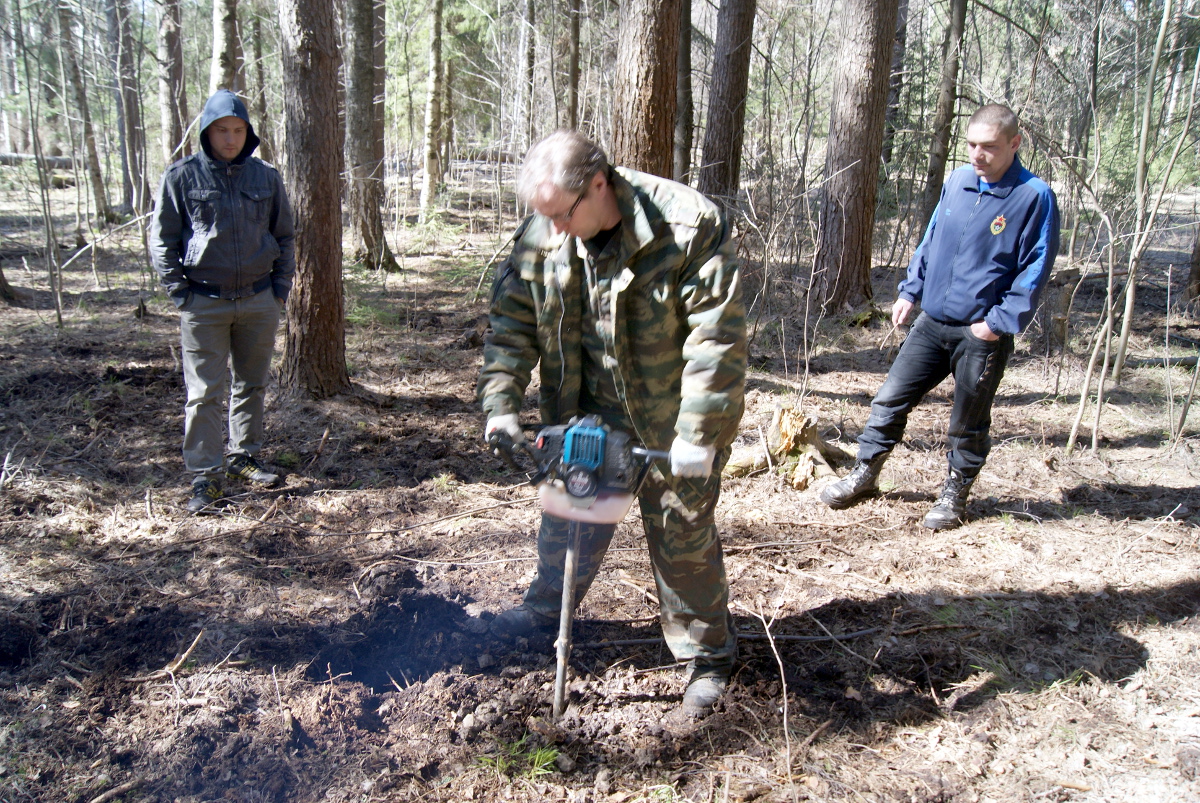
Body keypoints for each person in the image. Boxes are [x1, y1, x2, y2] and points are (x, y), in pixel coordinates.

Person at [478, 130, 746, 716]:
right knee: (570, 514)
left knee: (682, 534)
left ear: (598, 186)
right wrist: (500, 406)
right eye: (542, 216)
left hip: (672, 419)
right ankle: (546, 612)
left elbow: (716, 342)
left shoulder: (686, 225)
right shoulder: (547, 231)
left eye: (560, 214)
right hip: (584, 412)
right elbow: (511, 326)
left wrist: (696, 436)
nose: (551, 229)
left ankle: (707, 657)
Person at [821, 103, 1059, 530]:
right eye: (971, 145)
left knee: (967, 419)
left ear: (1015, 143)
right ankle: (865, 473)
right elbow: (931, 239)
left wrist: (995, 324)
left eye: (989, 147)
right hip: (931, 322)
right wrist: (911, 291)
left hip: (980, 333)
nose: (977, 155)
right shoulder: (960, 180)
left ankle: (955, 495)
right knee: (889, 400)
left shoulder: (1033, 196)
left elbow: (1035, 268)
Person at [149, 90, 295, 514]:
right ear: (206, 132)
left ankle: (244, 457)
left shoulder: (265, 178)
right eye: (221, 130)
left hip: (258, 299)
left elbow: (284, 235)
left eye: (238, 130)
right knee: (205, 392)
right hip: (204, 302)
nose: (230, 139)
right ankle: (205, 475)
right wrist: (181, 293)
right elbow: (162, 240)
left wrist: (278, 290)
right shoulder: (182, 177)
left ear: (248, 134)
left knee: (251, 385)